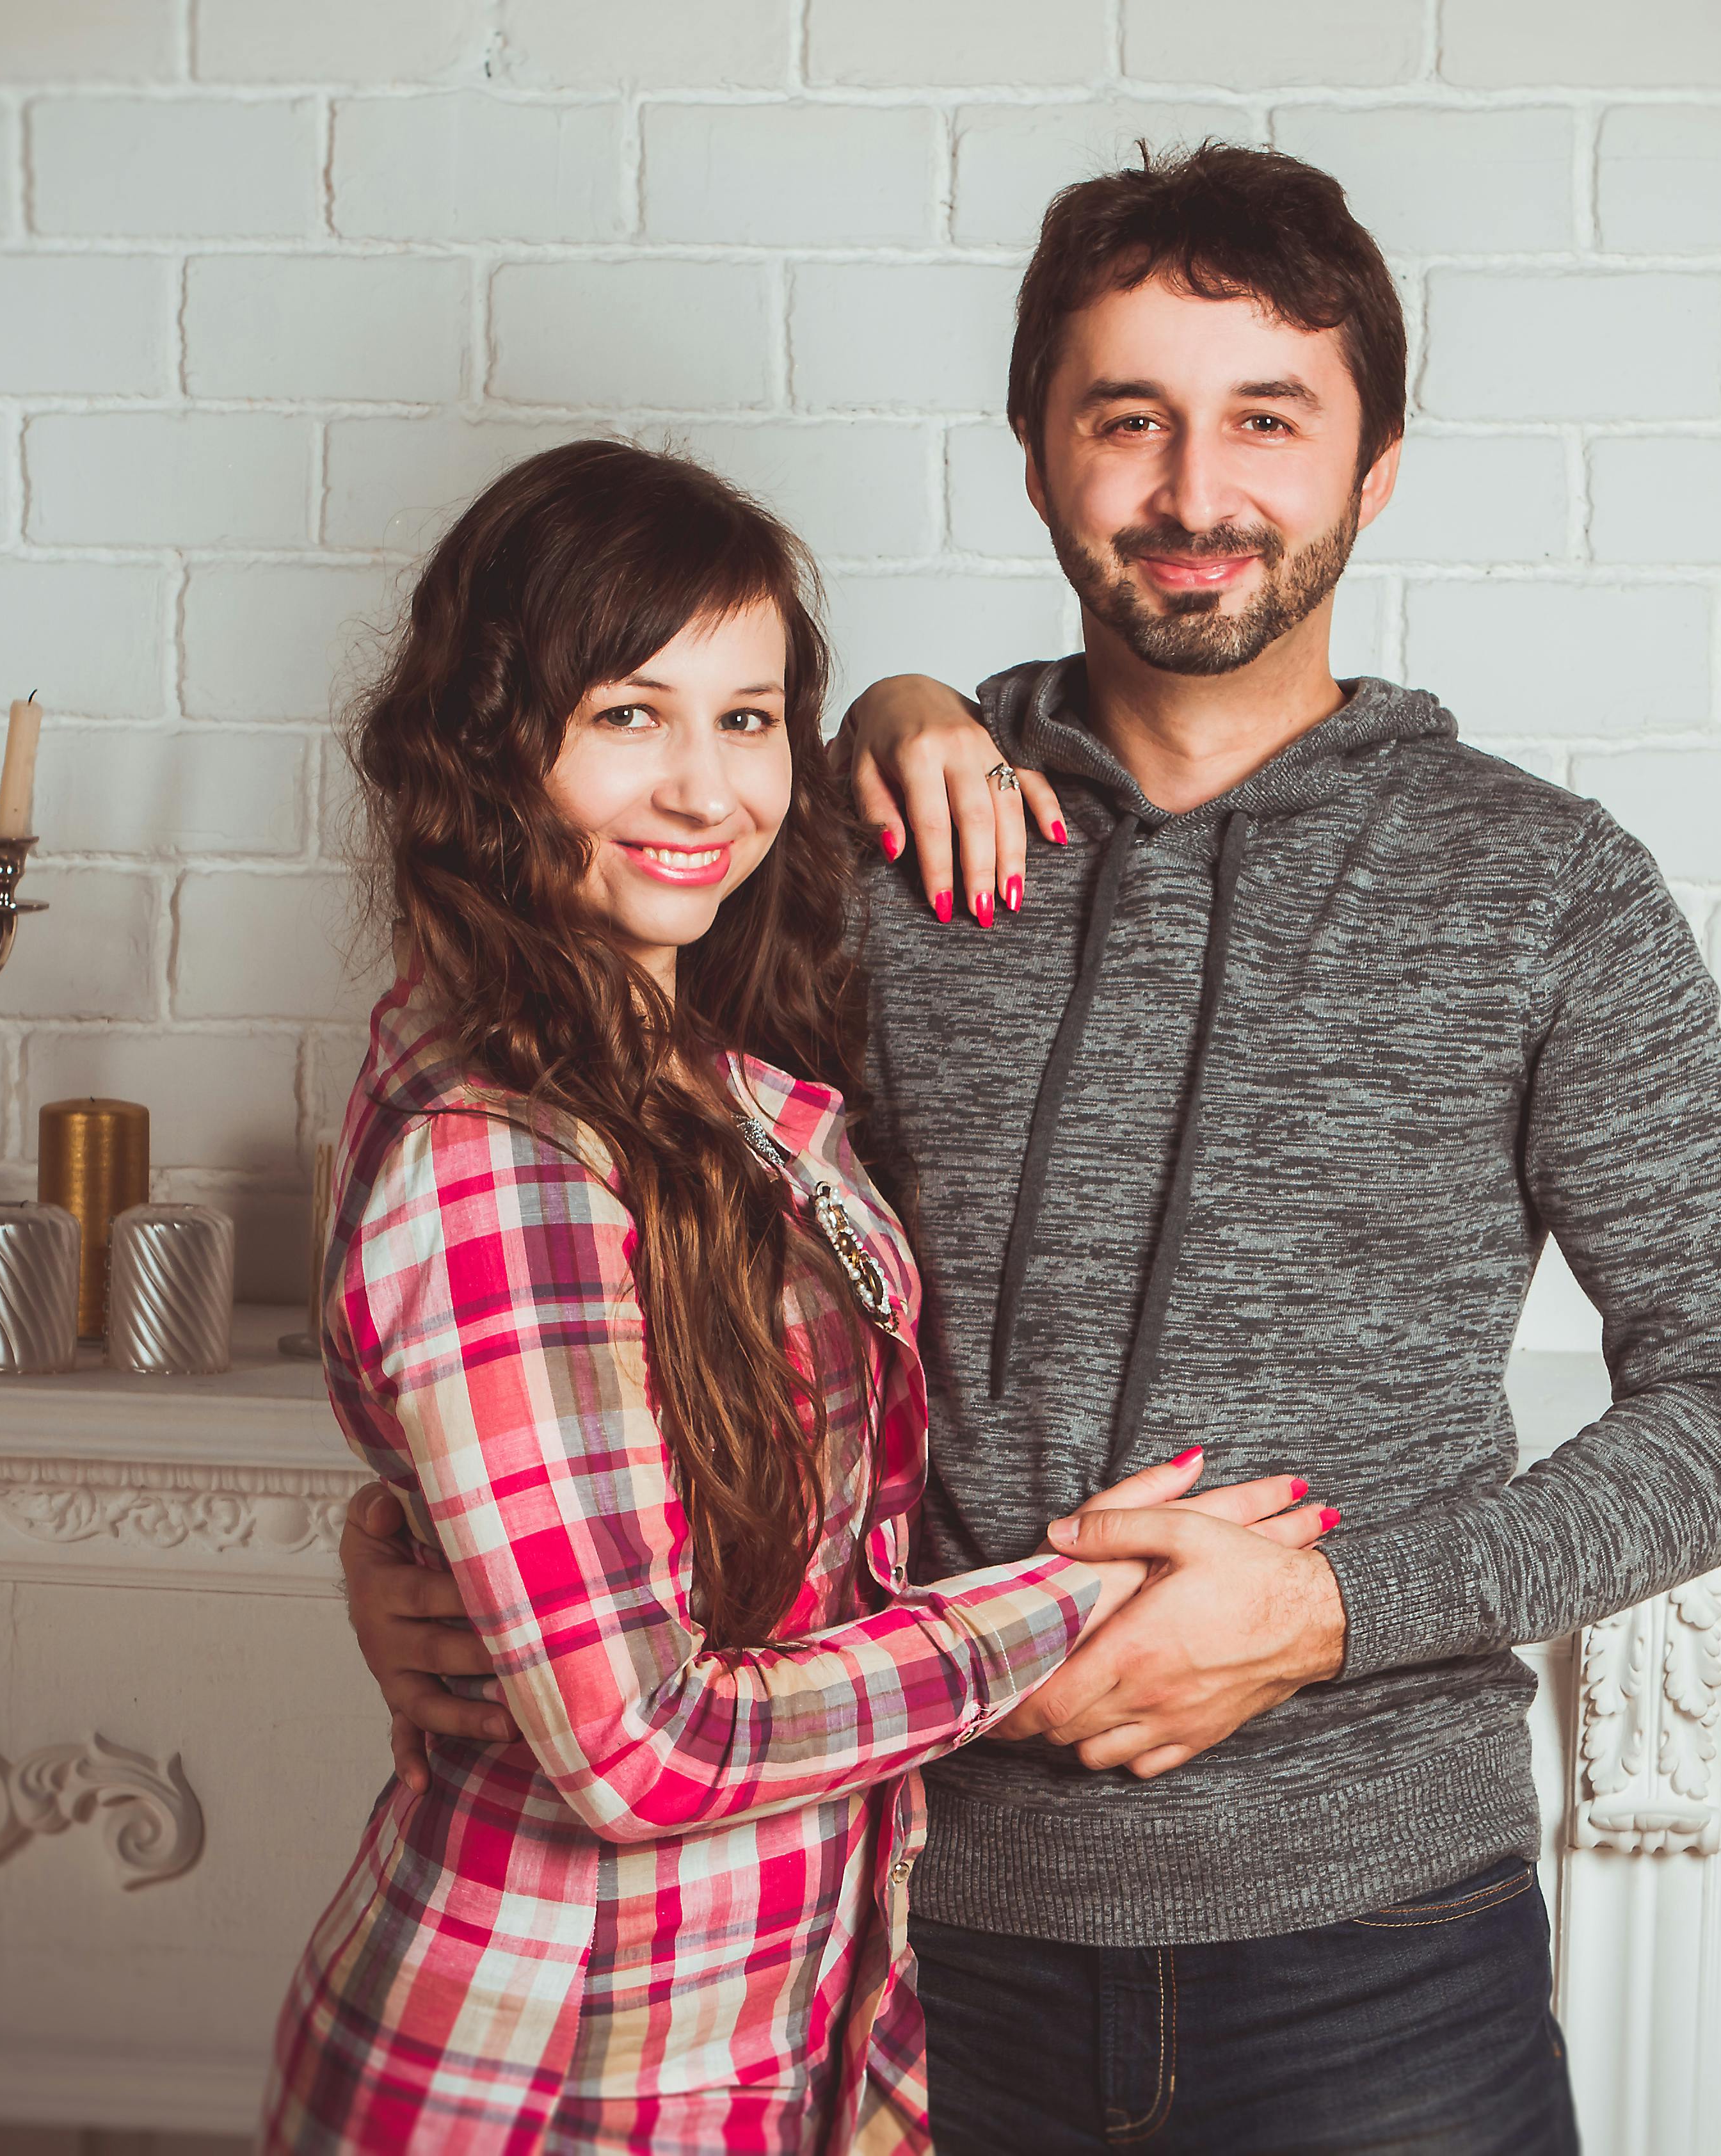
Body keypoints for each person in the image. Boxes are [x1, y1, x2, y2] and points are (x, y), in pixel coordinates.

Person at [340, 145, 1721, 2152]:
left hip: (1379, 1950)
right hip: (890, 1938)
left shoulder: (1544, 890)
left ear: (1376, 468)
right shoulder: (837, 853)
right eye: (1128, 420)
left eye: (1268, 424)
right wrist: (398, 1549)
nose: (1197, 493)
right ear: (1037, 457)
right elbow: (577, 1256)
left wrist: (1331, 1613)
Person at [264, 438, 1329, 2155]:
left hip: (755, 2037)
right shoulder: (501, 1154)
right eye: (628, 715)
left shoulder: (687, 1061)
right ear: (487, 742)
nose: (703, 793)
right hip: (546, 2076)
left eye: (746, 718)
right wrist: (1073, 1604)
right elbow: (644, 1757)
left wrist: (909, 708)